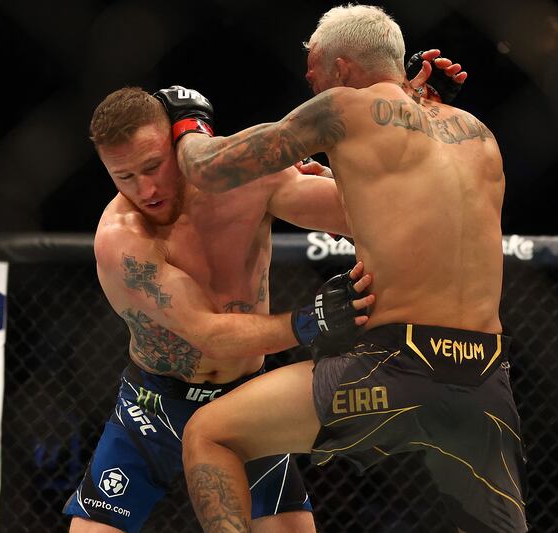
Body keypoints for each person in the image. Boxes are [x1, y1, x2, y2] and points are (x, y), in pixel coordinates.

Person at [62, 47, 466, 532]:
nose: (145, 189)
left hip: (244, 401)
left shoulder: (247, 176)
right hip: (153, 407)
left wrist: (416, 120)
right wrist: (308, 321)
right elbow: (204, 333)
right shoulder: (121, 240)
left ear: (179, 144)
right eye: (124, 177)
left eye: (152, 166)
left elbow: (371, 217)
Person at [169, 5, 528, 533]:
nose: (309, 82)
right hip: (484, 377)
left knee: (209, 433)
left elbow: (210, 168)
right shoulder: (478, 134)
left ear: (340, 71)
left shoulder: (341, 107)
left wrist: (186, 123)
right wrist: (353, 181)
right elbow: (423, 222)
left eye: (313, 70)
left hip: (395, 367)